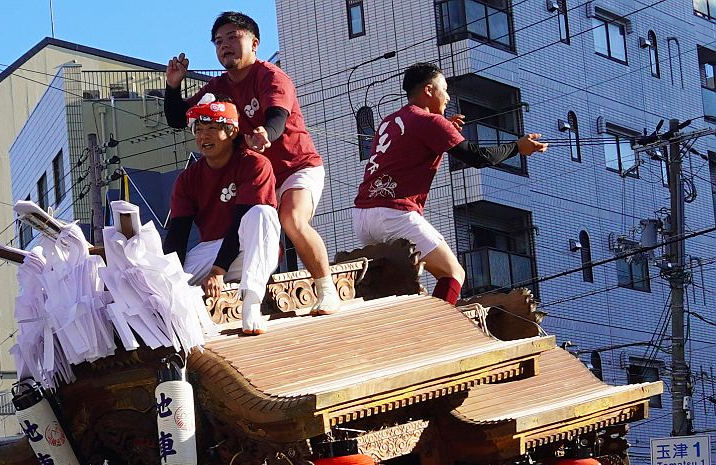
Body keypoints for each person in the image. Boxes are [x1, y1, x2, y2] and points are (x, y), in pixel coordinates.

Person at [165, 11, 342, 316]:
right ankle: (244, 301)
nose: (224, 45)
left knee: (291, 218)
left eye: (233, 37)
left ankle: (326, 290)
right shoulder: (218, 87)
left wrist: (266, 134)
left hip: (294, 168)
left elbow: (277, 116)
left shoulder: (271, 75)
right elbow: (179, 118)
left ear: (255, 43)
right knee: (239, 228)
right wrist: (172, 86)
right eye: (218, 41)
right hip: (253, 176)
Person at [352, 62, 547, 305]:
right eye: (444, 89)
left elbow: (409, 147)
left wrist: (445, 128)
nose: (448, 97)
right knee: (453, 274)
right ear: (429, 90)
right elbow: (479, 157)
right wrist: (518, 147)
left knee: (395, 289)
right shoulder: (432, 122)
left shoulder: (389, 121)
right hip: (394, 214)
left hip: (362, 217)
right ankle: (438, 325)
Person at [163, 94, 281, 335]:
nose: (203, 136)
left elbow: (242, 221)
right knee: (166, 280)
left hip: (251, 248)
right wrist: (164, 276)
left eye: (212, 128)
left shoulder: (255, 164)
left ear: (232, 131)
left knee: (262, 213)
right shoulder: (187, 179)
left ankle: (251, 304)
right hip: (211, 250)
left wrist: (218, 271)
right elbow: (177, 235)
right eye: (198, 129)